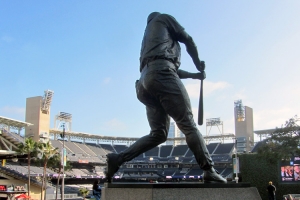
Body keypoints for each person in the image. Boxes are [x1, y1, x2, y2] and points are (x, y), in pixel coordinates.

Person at [105, 12, 227, 184]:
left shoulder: (148, 39)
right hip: (160, 75)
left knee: (159, 134)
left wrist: (195, 75)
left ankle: (118, 159)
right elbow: (188, 40)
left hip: (144, 84)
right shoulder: (163, 18)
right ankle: (208, 169)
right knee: (188, 125)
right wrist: (198, 63)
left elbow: (165, 66)